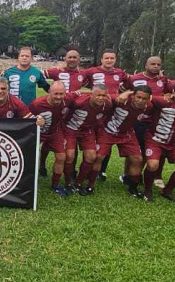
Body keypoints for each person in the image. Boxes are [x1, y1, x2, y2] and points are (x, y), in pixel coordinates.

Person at [96, 86, 152, 198]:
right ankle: (90, 182)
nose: (140, 101)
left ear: (148, 99)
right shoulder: (120, 99)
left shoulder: (149, 106)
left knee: (138, 159)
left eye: (144, 98)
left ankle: (133, 188)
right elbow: (94, 95)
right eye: (138, 97)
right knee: (99, 156)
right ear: (133, 96)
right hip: (108, 131)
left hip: (127, 133)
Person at [38, 49, 86, 176]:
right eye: (69, 57)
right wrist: (49, 90)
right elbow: (39, 75)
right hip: (57, 108)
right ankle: (42, 165)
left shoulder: (83, 73)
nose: (72, 59)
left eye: (74, 57)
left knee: (71, 141)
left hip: (73, 112)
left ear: (79, 59)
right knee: (49, 139)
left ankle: (71, 170)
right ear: (65, 58)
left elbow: (93, 86)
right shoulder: (57, 71)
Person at [82, 49, 128, 181]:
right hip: (95, 109)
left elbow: (130, 83)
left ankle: (101, 170)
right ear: (101, 59)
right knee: (91, 138)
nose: (109, 60)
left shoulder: (120, 73)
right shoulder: (91, 71)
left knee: (106, 140)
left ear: (115, 60)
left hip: (112, 111)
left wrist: (123, 93)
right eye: (106, 58)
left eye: (112, 58)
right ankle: (87, 168)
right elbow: (79, 79)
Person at [126, 56, 171, 188]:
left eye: (158, 64)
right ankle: (127, 175)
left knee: (149, 150)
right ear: (146, 65)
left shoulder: (164, 80)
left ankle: (141, 175)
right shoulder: (134, 79)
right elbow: (125, 92)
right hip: (136, 120)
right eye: (152, 64)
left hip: (155, 121)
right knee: (134, 150)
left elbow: (168, 95)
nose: (155, 66)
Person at [64, 84, 112, 195]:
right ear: (91, 94)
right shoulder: (78, 102)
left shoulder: (107, 105)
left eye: (104, 95)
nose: (101, 98)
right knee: (70, 155)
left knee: (91, 156)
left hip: (87, 131)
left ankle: (78, 183)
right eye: (98, 95)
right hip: (71, 129)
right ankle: (68, 183)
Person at [29, 82, 72, 196]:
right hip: (38, 132)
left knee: (62, 156)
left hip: (55, 132)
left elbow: (84, 94)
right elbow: (27, 117)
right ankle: (30, 181)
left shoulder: (68, 99)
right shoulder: (37, 104)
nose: (58, 97)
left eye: (61, 94)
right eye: (55, 94)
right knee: (30, 156)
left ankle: (55, 184)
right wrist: (36, 119)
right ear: (49, 92)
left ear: (65, 93)